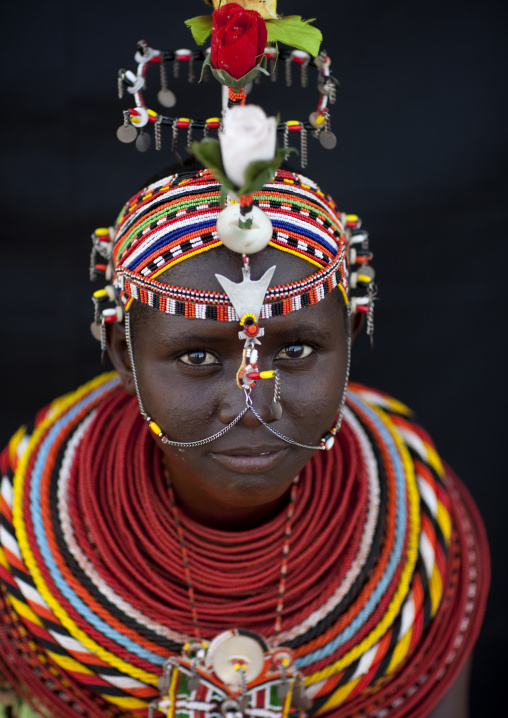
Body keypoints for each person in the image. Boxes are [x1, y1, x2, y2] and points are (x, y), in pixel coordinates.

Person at [0, 3, 490, 717]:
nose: (254, 400)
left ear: (350, 335)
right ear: (123, 356)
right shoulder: (22, 548)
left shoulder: (423, 534)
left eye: (295, 349)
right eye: (198, 354)